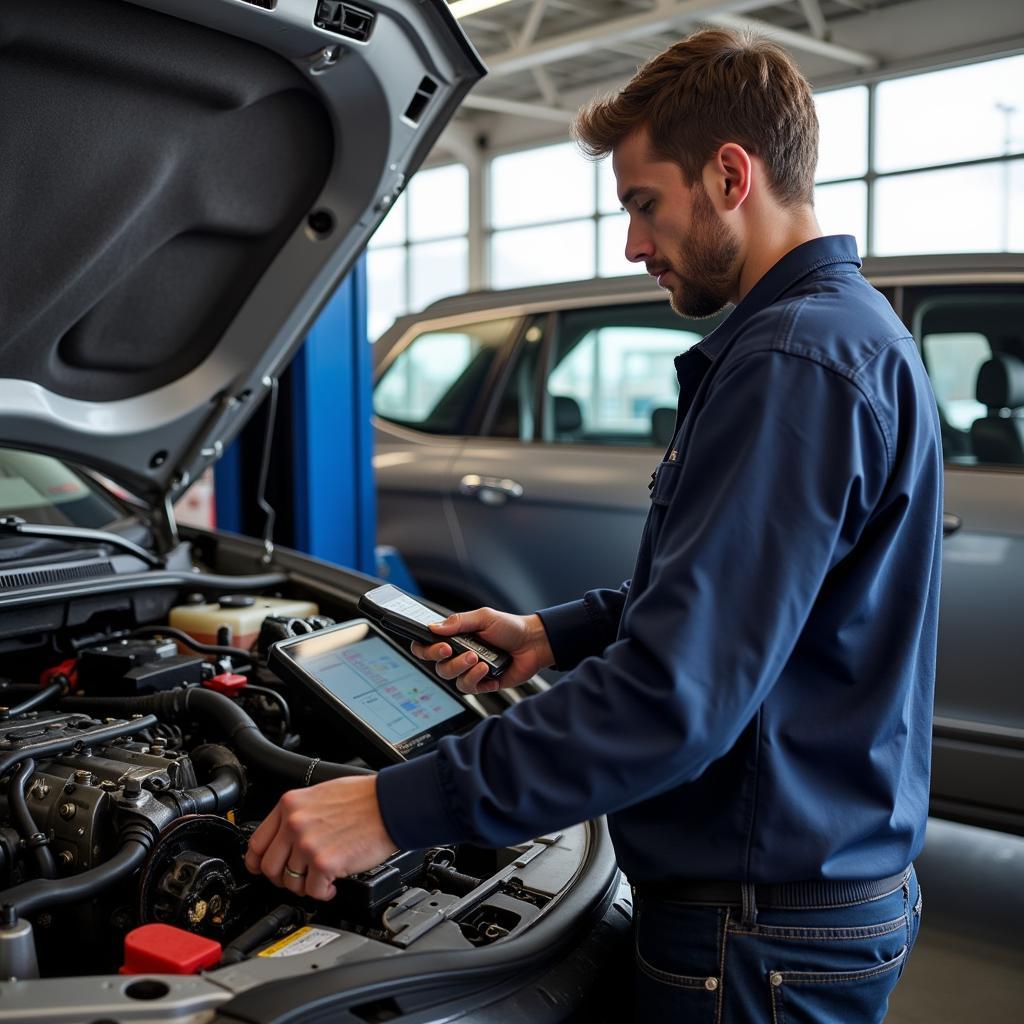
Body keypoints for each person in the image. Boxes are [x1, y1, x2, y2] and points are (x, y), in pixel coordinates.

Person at [245, 27, 942, 1022]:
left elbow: (672, 697)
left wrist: (388, 810)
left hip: (756, 932)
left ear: (731, 175)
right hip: (793, 901)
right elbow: (748, 602)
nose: (633, 243)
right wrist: (552, 634)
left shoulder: (793, 362)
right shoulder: (845, 334)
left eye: (642, 202)